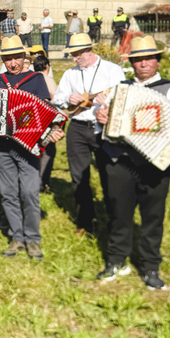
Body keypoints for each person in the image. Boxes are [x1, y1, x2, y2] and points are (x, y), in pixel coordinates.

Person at [95, 36, 170, 289]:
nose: (144, 64)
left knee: (153, 217)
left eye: (149, 58)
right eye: (138, 59)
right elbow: (102, 121)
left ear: (157, 61)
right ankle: (117, 260)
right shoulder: (120, 89)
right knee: (118, 213)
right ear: (132, 63)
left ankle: (150, 267)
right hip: (120, 160)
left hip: (155, 164)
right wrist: (101, 116)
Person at [0, 36, 63, 261]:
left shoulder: (36, 79)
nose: (12, 63)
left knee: (29, 192)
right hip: (2, 145)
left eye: (16, 58)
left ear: (24, 57)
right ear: (3, 60)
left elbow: (46, 109)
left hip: (28, 145)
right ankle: (17, 237)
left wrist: (53, 130)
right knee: (8, 193)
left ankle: (33, 239)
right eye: (8, 59)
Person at [52, 33, 126, 237]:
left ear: (89, 50)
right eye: (72, 55)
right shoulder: (70, 74)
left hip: (104, 128)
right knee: (79, 177)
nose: (74, 58)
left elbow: (123, 98)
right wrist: (69, 98)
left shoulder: (112, 70)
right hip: (77, 127)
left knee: (109, 176)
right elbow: (58, 99)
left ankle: (114, 222)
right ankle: (85, 221)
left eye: (77, 54)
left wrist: (106, 102)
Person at [32, 53, 57, 191]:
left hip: (33, 118)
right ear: (47, 66)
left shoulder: (31, 79)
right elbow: (54, 99)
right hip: (47, 118)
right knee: (48, 150)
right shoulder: (48, 80)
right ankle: (42, 181)